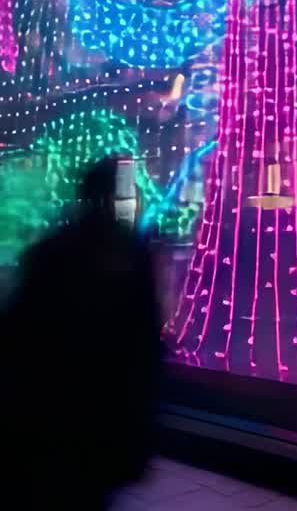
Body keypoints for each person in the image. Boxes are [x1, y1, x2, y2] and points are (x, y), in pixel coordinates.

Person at [1, 156, 162, 509]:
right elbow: (144, 346)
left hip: (50, 412)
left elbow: (18, 331)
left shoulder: (52, 250)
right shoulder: (131, 254)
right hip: (98, 416)